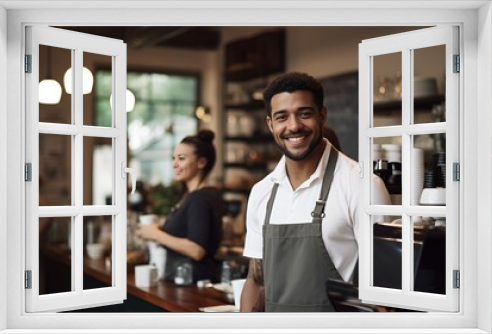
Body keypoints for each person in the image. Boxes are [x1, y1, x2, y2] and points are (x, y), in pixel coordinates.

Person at [240, 72, 391, 312]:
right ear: (270, 124)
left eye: (305, 114)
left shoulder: (362, 185)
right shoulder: (262, 192)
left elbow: (384, 290)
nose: (294, 126)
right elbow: (256, 282)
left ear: (322, 115)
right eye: (282, 117)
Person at [136, 130, 224, 283]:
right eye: (173, 158)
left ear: (201, 162)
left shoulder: (200, 198)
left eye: (181, 159)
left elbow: (197, 250)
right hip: (186, 281)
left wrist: (155, 234)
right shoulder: (194, 195)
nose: (174, 164)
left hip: (192, 285)